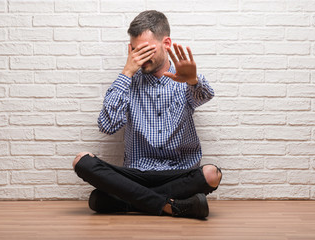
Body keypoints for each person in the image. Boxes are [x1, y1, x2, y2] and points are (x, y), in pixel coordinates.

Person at [72, 10, 222, 219]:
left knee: (211, 174)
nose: (140, 57)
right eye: (135, 50)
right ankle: (170, 206)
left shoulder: (185, 79)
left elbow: (204, 95)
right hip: (137, 174)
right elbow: (107, 125)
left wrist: (193, 79)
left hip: (177, 173)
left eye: (146, 50)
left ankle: (128, 201)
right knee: (82, 161)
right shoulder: (127, 83)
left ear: (166, 44)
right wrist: (126, 73)